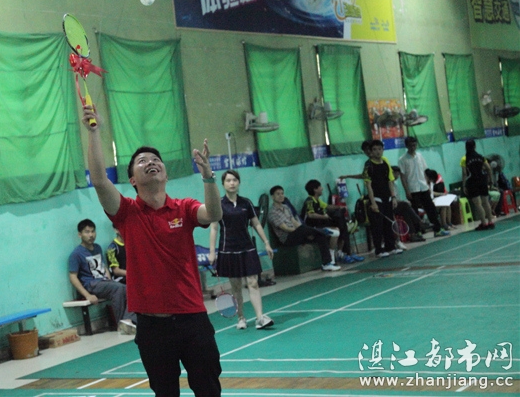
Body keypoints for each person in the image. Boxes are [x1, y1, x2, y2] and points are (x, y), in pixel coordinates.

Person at [81, 104, 223, 397]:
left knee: (209, 390)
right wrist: (94, 132)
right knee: (165, 393)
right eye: (142, 161)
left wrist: (208, 177)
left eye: (156, 159)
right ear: (132, 180)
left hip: (193, 319)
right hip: (152, 326)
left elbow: (213, 214)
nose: (151, 162)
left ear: (165, 174)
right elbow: (99, 180)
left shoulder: (184, 208)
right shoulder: (126, 213)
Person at [208, 170, 275, 331]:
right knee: (236, 287)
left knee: (253, 282)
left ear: (239, 183)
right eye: (228, 180)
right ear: (223, 184)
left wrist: (266, 243)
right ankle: (241, 318)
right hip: (228, 250)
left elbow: (256, 223)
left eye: (235, 180)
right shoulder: (219, 204)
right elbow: (214, 228)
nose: (232, 183)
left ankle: (260, 317)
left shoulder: (246, 203)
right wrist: (212, 251)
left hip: (247, 248)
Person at [68, 219, 136, 334]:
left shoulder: (97, 248)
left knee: (131, 288)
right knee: (119, 289)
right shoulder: (76, 254)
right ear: (80, 235)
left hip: (104, 283)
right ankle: (122, 323)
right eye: (87, 232)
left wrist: (110, 280)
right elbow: (73, 277)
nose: (91, 235)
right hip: (91, 284)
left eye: (93, 231)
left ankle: (127, 321)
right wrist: (87, 295)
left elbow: (103, 267)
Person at [267, 185, 340, 271]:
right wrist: (302, 231)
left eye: (282, 193)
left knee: (320, 236)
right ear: (272, 197)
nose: (281, 196)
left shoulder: (286, 207)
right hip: (287, 238)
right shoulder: (272, 213)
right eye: (278, 194)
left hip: (297, 234)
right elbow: (285, 228)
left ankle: (326, 264)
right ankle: (323, 231)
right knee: (304, 229)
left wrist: (305, 232)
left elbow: (294, 222)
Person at [397, 136, 450, 238]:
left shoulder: (420, 156)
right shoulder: (402, 160)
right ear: (406, 146)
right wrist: (407, 191)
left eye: (414, 145)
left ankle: (437, 230)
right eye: (411, 145)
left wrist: (427, 185)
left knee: (431, 209)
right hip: (413, 189)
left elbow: (425, 171)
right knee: (415, 212)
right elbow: (403, 177)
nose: (413, 147)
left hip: (423, 188)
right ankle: (418, 232)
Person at [301, 179, 364, 263]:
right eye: (320, 187)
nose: (322, 188)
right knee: (337, 229)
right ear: (315, 189)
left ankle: (342, 253)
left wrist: (339, 207)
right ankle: (335, 256)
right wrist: (324, 217)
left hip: (320, 224)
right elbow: (310, 215)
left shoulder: (317, 200)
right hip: (312, 227)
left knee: (342, 225)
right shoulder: (309, 201)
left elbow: (327, 206)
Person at [363, 140, 401, 258]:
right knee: (377, 226)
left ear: (383, 150)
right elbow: (368, 185)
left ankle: (391, 247)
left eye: (380, 149)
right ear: (371, 151)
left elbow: (390, 181)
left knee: (388, 223)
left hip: (387, 198)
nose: (378, 152)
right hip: (377, 199)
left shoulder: (385, 163)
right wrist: (373, 202)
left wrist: (393, 197)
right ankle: (379, 250)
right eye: (374, 149)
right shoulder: (368, 165)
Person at [461, 139, 495, 230]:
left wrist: (464, 185)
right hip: (482, 180)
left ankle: (484, 223)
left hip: (472, 182)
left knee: (478, 204)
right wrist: (491, 180)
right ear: (475, 146)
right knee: (486, 202)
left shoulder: (464, 159)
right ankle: (490, 222)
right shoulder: (481, 157)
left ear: (466, 147)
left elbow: (464, 173)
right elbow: (488, 168)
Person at [391, 166, 426, 243]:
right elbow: (392, 200)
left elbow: (397, 199)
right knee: (405, 205)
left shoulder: (395, 185)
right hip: (390, 207)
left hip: (397, 206)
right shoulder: (389, 185)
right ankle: (419, 221)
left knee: (406, 211)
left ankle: (412, 235)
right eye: (395, 173)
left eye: (398, 174)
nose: (397, 176)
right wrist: (403, 202)